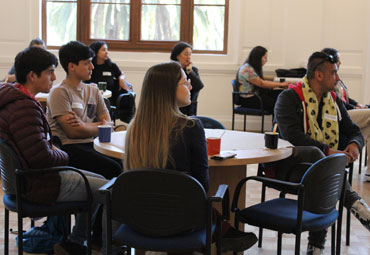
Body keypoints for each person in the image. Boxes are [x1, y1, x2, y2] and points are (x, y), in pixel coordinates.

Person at [124, 61, 257, 253]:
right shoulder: (190, 127)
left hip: (139, 217)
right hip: (183, 221)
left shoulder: (134, 129)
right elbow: (202, 186)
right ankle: (224, 230)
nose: (190, 86)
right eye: (185, 82)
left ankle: (224, 230)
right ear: (169, 89)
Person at [0, 46, 109, 255]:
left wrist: (53, 147)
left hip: (26, 181)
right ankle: (101, 247)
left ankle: (75, 243)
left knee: (101, 179)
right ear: (33, 75)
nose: (54, 76)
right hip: (39, 183)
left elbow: (43, 150)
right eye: (50, 71)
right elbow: (42, 157)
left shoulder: (14, 100)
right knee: (108, 189)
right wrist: (60, 150)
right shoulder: (24, 108)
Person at [273, 51, 370, 254]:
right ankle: (356, 207)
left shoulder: (333, 100)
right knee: (325, 165)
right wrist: (327, 152)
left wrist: (354, 144)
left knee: (326, 172)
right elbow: (293, 137)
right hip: (291, 167)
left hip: (321, 171)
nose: (338, 78)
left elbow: (353, 130)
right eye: (334, 73)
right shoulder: (288, 98)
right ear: (319, 75)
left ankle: (316, 246)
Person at [47, 41, 123, 179]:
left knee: (124, 163)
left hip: (92, 144)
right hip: (69, 148)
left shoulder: (93, 90)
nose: (92, 67)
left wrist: (83, 125)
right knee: (114, 168)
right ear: (72, 66)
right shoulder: (59, 92)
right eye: (87, 63)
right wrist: (100, 125)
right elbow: (73, 132)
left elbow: (109, 124)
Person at [322, 47, 370, 181]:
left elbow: (345, 97)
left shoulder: (337, 78)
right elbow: (339, 103)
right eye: (338, 59)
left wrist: (357, 104)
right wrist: (354, 106)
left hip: (349, 110)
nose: (341, 62)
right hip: (341, 113)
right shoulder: (328, 81)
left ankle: (369, 170)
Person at [236, 46, 290, 112]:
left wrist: (278, 84)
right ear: (258, 58)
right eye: (265, 58)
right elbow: (261, 83)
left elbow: (260, 80)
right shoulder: (247, 69)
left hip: (255, 96)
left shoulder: (251, 67)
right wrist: (280, 84)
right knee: (279, 104)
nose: (266, 60)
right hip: (248, 99)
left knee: (281, 94)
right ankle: (278, 122)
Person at [87, 40, 132, 106]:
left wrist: (121, 79)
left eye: (107, 50)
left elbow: (121, 74)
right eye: (103, 50)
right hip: (92, 99)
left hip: (109, 100)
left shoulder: (111, 66)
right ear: (96, 52)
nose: (107, 52)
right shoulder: (90, 66)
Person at [170, 41, 204, 116]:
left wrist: (189, 71)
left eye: (190, 54)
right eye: (186, 54)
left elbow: (199, 86)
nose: (188, 57)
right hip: (173, 105)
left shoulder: (192, 70)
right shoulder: (170, 70)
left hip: (189, 107)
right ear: (177, 55)